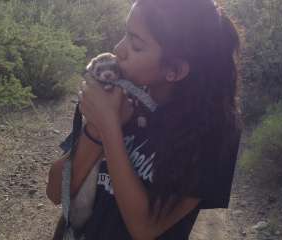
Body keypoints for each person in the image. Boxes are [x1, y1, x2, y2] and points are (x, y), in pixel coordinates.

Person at [46, 0, 242, 239]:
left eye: (136, 45)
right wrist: (96, 128)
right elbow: (56, 191)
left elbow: (144, 228)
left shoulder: (214, 132)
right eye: (125, 34)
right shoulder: (119, 95)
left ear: (175, 70)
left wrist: (109, 125)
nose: (119, 49)